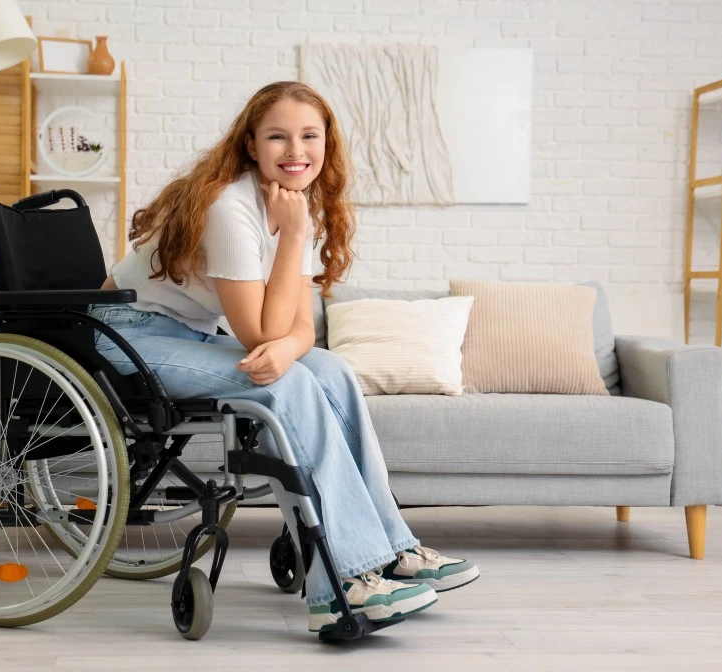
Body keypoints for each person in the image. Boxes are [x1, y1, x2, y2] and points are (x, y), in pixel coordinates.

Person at [91, 80, 479, 633]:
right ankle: (344, 582)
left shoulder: (296, 204)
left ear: (327, 143)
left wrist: (291, 344)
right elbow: (260, 333)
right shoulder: (231, 208)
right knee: (288, 384)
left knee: (332, 370)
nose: (296, 150)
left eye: (309, 136)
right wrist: (294, 239)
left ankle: (394, 549)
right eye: (278, 136)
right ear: (252, 144)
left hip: (190, 334)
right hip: (128, 336)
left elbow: (299, 329)